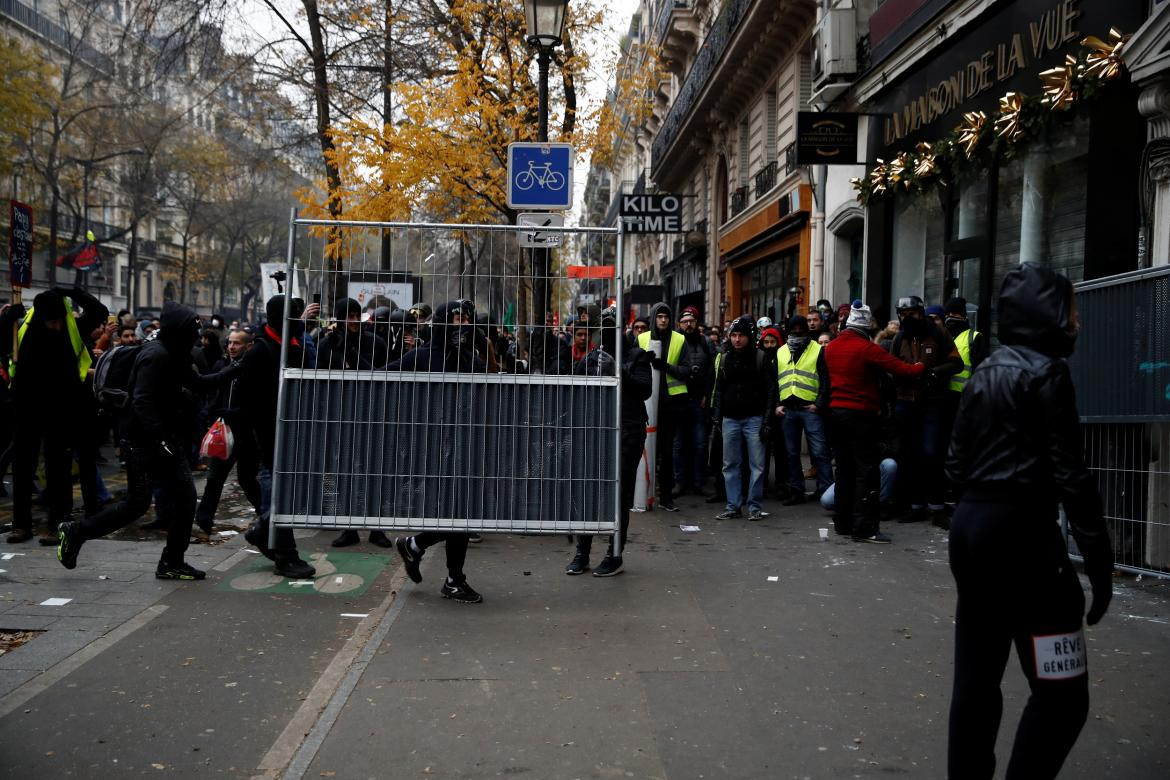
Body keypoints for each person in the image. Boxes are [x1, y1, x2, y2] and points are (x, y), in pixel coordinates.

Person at [945, 262, 1113, 779]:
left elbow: (954, 465)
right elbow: (1071, 475)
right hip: (1025, 539)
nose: (1077, 323)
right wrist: (1099, 562)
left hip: (973, 532)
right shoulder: (1048, 373)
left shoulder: (985, 372)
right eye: (1071, 311)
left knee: (977, 679)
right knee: (1063, 694)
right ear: (1048, 315)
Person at [56, 302, 232, 578]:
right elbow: (141, 402)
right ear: (178, 330)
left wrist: (237, 369)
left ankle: (82, 534)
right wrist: (161, 440)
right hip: (142, 441)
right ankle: (166, 561)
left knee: (164, 500)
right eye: (191, 331)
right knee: (158, 500)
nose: (195, 338)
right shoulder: (156, 355)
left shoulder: (174, 353)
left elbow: (200, 383)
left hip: (155, 438)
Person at [391, 301, 485, 603]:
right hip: (429, 450)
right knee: (456, 514)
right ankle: (448, 575)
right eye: (456, 319)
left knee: (460, 514)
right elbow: (379, 380)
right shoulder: (418, 357)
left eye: (466, 319)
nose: (463, 325)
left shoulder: (471, 360)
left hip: (463, 447)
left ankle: (420, 551)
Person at [2, 288, 108, 544]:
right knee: (23, 468)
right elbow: (3, 344)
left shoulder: (73, 329)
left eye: (60, 320)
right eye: (52, 321)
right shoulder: (23, 331)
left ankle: (56, 524)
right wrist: (7, 320)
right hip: (26, 407)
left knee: (58, 469)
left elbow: (99, 312)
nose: (57, 326)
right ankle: (21, 524)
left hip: (61, 409)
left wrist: (72, 293)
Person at [823, 302, 925, 543]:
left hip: (835, 414)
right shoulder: (868, 348)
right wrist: (921, 365)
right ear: (866, 324)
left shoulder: (831, 348)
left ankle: (843, 522)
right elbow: (902, 370)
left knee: (844, 469)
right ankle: (864, 527)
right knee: (865, 472)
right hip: (861, 415)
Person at [565, 308, 652, 577]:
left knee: (620, 494)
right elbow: (575, 392)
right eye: (602, 326)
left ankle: (615, 554)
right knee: (590, 492)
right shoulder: (592, 357)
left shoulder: (636, 355)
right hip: (597, 430)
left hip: (628, 430)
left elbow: (644, 388)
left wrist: (618, 370)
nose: (606, 330)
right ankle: (582, 552)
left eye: (611, 325)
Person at [239, 295, 318, 579]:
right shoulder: (261, 352)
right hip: (270, 438)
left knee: (289, 496)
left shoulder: (292, 345)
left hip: (291, 433)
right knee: (280, 498)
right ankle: (285, 555)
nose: (299, 322)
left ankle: (264, 532)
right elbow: (247, 402)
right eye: (294, 317)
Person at [889, 295, 963, 527]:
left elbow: (956, 363)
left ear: (920, 314)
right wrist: (902, 373)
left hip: (933, 402)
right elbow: (890, 366)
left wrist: (934, 373)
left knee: (932, 453)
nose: (907, 318)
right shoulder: (900, 337)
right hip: (905, 402)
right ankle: (916, 506)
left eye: (911, 314)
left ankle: (938, 507)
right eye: (903, 314)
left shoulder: (938, 334)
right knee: (909, 455)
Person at [194, 328, 263, 535]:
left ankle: (266, 513)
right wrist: (211, 413)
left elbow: (257, 402)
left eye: (237, 343)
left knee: (247, 479)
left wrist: (237, 413)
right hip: (224, 430)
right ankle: (204, 518)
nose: (232, 347)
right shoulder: (222, 365)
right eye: (230, 342)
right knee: (215, 477)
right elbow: (215, 392)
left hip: (247, 433)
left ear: (248, 346)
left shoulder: (253, 368)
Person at [710, 316, 775, 521]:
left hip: (754, 418)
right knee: (730, 465)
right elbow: (719, 389)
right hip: (730, 418)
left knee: (757, 465)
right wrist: (717, 418)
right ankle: (733, 506)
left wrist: (766, 421)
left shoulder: (760, 358)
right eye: (734, 335)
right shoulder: (726, 358)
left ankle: (754, 506)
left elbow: (771, 391)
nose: (737, 340)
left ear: (749, 337)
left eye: (741, 336)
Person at [637, 303, 692, 512]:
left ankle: (666, 497)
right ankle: (643, 494)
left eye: (666, 317)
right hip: (647, 404)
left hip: (671, 405)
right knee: (644, 450)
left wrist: (665, 366)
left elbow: (686, 370)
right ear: (653, 318)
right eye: (659, 316)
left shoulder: (679, 339)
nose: (662, 320)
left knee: (666, 452)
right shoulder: (642, 338)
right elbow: (630, 367)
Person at [775, 315, 833, 505]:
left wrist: (819, 403)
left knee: (820, 452)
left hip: (810, 409)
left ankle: (826, 492)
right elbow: (775, 381)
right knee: (791, 453)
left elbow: (826, 379)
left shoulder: (817, 350)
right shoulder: (781, 351)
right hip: (788, 410)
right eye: (794, 328)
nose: (798, 331)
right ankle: (797, 491)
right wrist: (778, 403)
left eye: (801, 328)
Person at [673, 306, 713, 499]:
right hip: (679, 399)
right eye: (685, 321)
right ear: (679, 324)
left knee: (700, 443)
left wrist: (707, 394)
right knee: (679, 444)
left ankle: (700, 482)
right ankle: (679, 482)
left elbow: (712, 371)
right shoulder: (674, 342)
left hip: (698, 400)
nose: (688, 324)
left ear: (696, 323)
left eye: (692, 321)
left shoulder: (705, 343)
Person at [756, 326, 787, 500]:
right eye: (766, 342)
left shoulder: (782, 359)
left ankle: (782, 484)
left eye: (772, 342)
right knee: (763, 450)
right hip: (764, 409)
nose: (769, 345)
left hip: (779, 409)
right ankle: (764, 484)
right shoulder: (759, 359)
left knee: (781, 450)